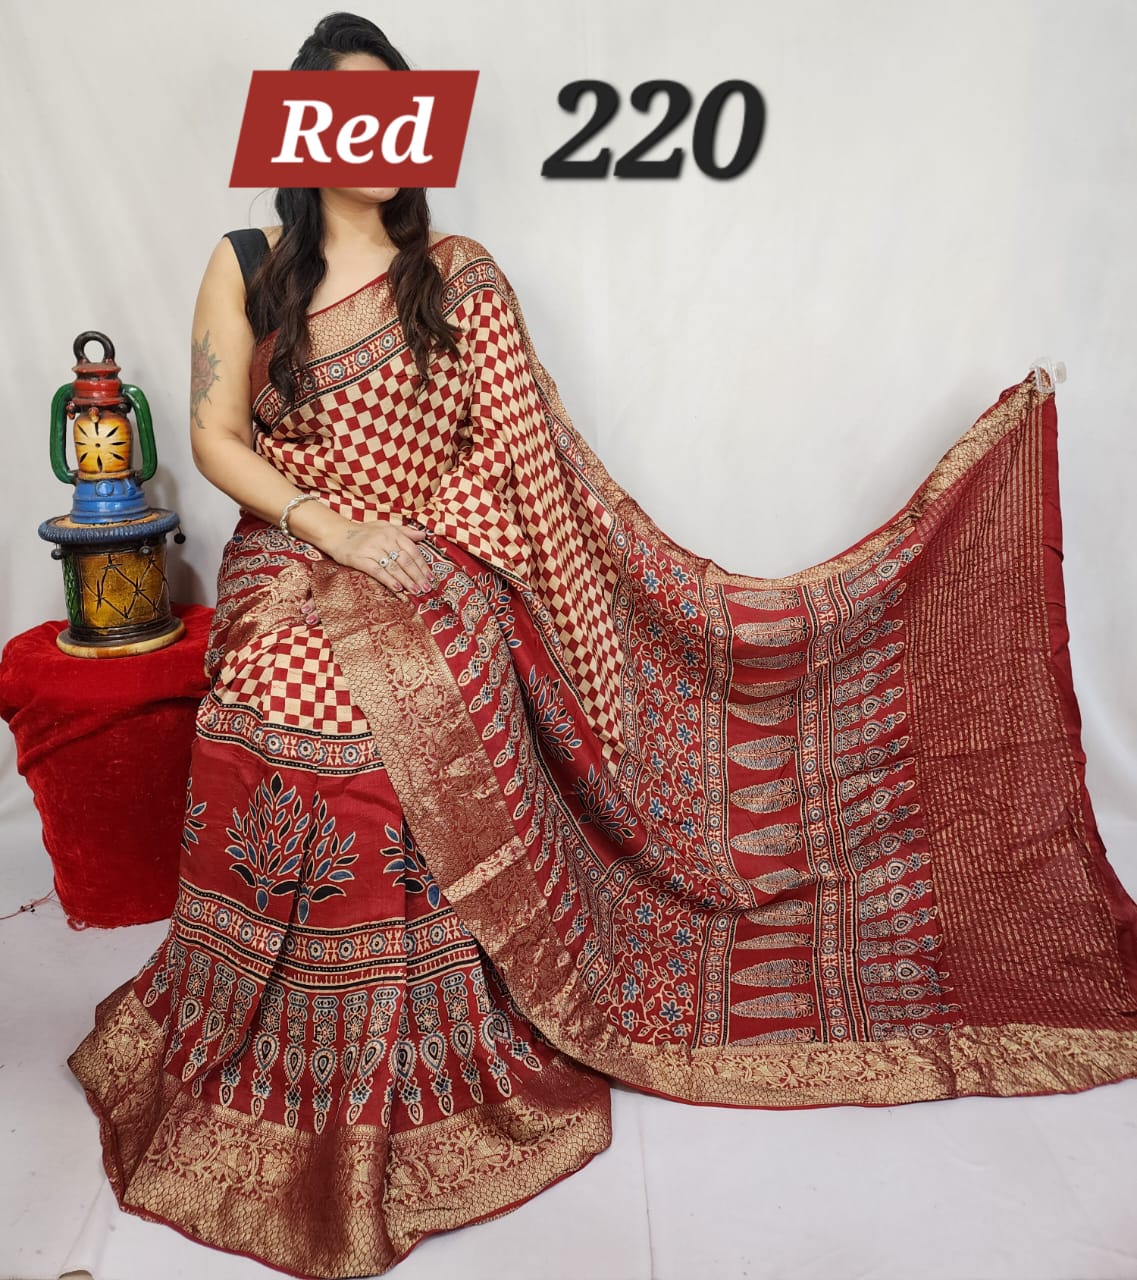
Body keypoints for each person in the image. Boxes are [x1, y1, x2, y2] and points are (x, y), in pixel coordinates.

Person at [68, 11, 1137, 1279]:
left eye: (392, 110)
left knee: (387, 703)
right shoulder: (246, 263)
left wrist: (412, 539)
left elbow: (513, 466)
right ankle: (267, 1035)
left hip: (432, 549)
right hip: (295, 546)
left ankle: (425, 1037)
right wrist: (332, 527)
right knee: (276, 691)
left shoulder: (456, 276)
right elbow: (214, 438)